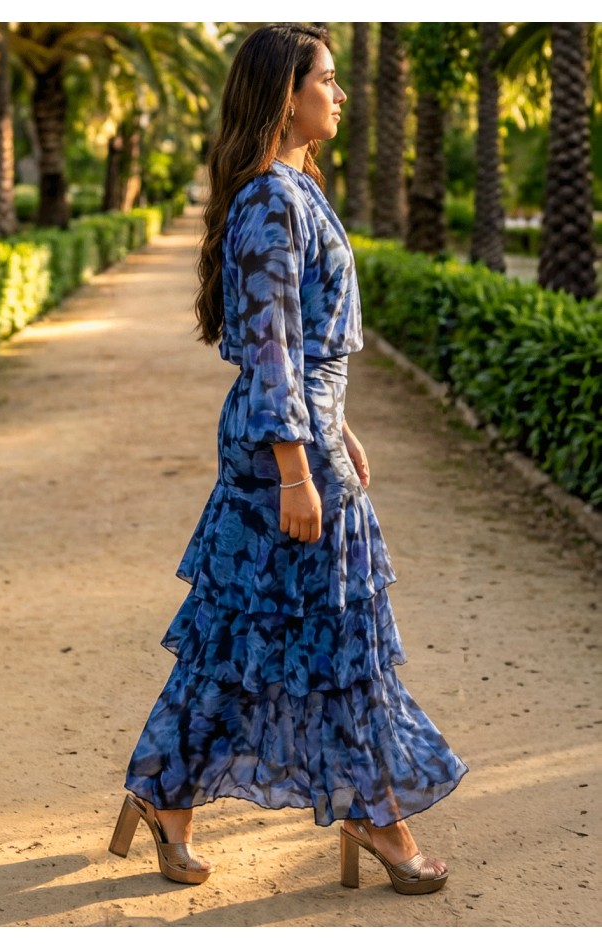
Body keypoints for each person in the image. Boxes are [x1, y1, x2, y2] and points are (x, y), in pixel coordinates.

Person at [108, 23, 467, 895]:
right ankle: (377, 816)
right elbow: (271, 348)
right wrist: (302, 471)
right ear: (285, 94)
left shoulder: (292, 188)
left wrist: (334, 426)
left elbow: (304, 342)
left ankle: (165, 796)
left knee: (240, 637)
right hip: (282, 460)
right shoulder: (270, 199)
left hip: (300, 435)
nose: (339, 95)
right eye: (327, 81)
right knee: (335, 638)